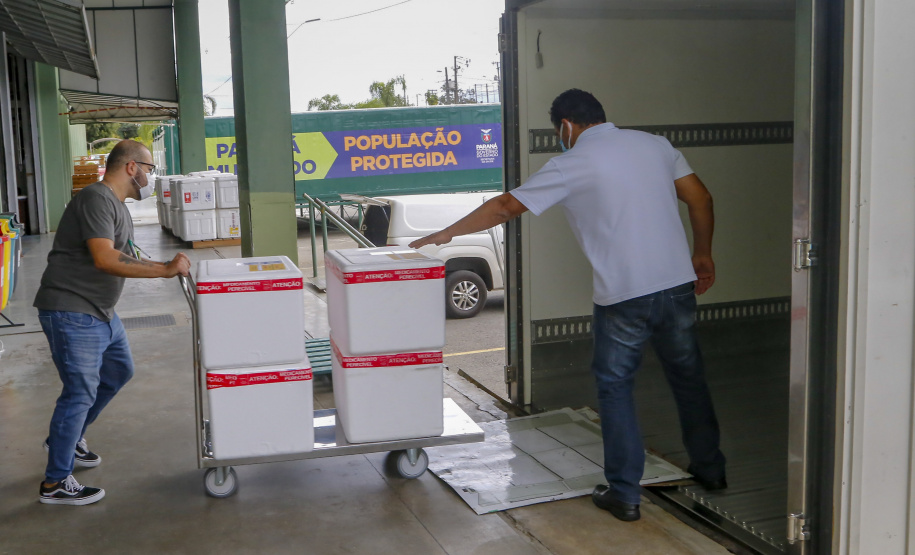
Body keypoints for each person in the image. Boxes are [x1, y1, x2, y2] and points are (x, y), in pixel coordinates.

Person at [410, 89, 726, 522]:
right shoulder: (655, 146)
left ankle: (625, 494)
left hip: (624, 297)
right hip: (677, 287)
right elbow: (701, 198)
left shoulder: (570, 162)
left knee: (616, 390)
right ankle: (711, 471)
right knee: (689, 378)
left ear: (566, 127)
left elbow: (506, 207)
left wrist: (445, 234)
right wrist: (703, 252)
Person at [33, 140, 191, 505]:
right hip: (72, 310)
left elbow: (127, 256)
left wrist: (167, 267)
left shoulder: (118, 207)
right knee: (79, 392)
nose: (152, 177)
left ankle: (67, 439)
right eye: (149, 169)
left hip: (100, 312)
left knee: (119, 371)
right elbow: (105, 259)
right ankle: (55, 483)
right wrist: (163, 273)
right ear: (131, 167)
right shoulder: (96, 199)